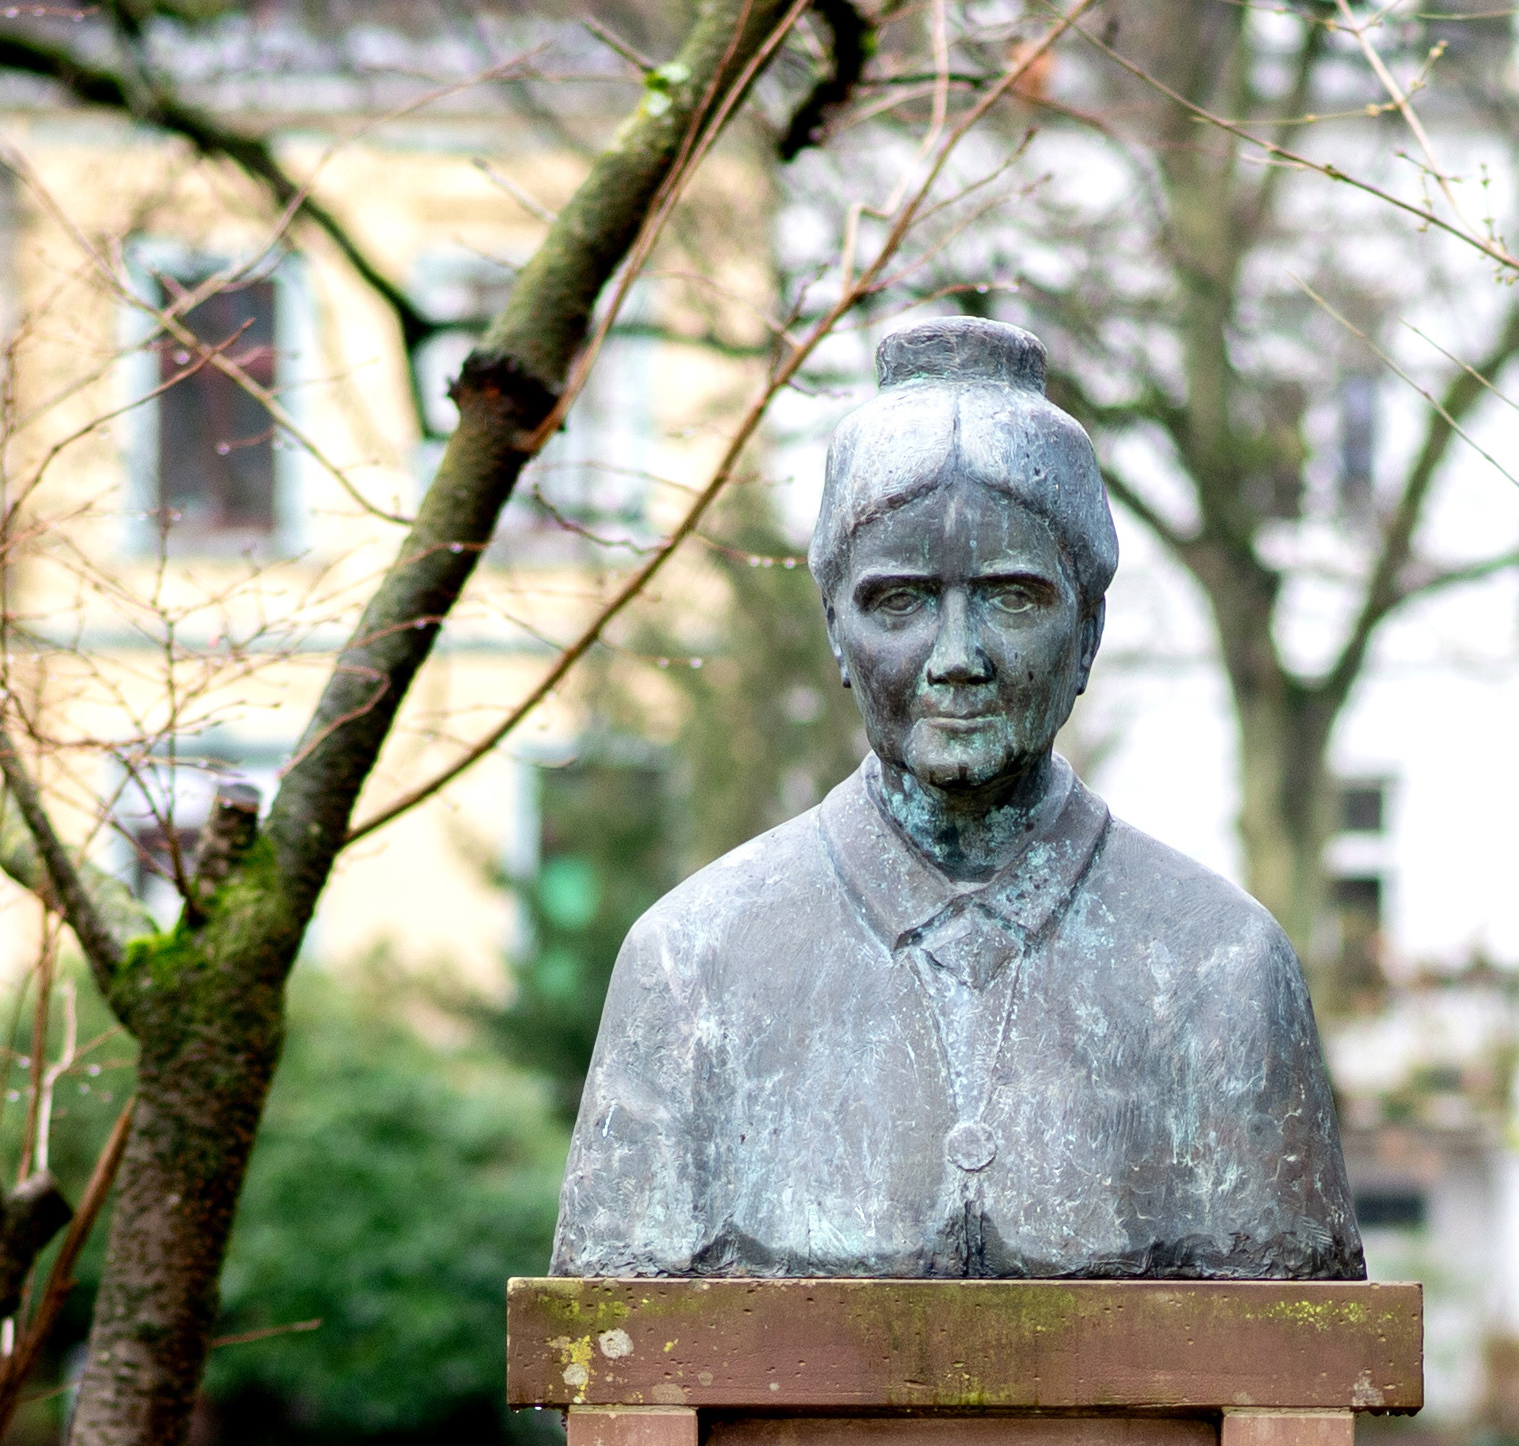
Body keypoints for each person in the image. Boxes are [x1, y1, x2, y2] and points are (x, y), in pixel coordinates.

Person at [549, 315, 1362, 1281]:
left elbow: (1297, 1371)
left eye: (1013, 596)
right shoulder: (691, 967)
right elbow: (611, 1365)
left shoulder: (1222, 969)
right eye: (900, 601)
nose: (956, 660)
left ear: (1089, 629)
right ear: (836, 632)